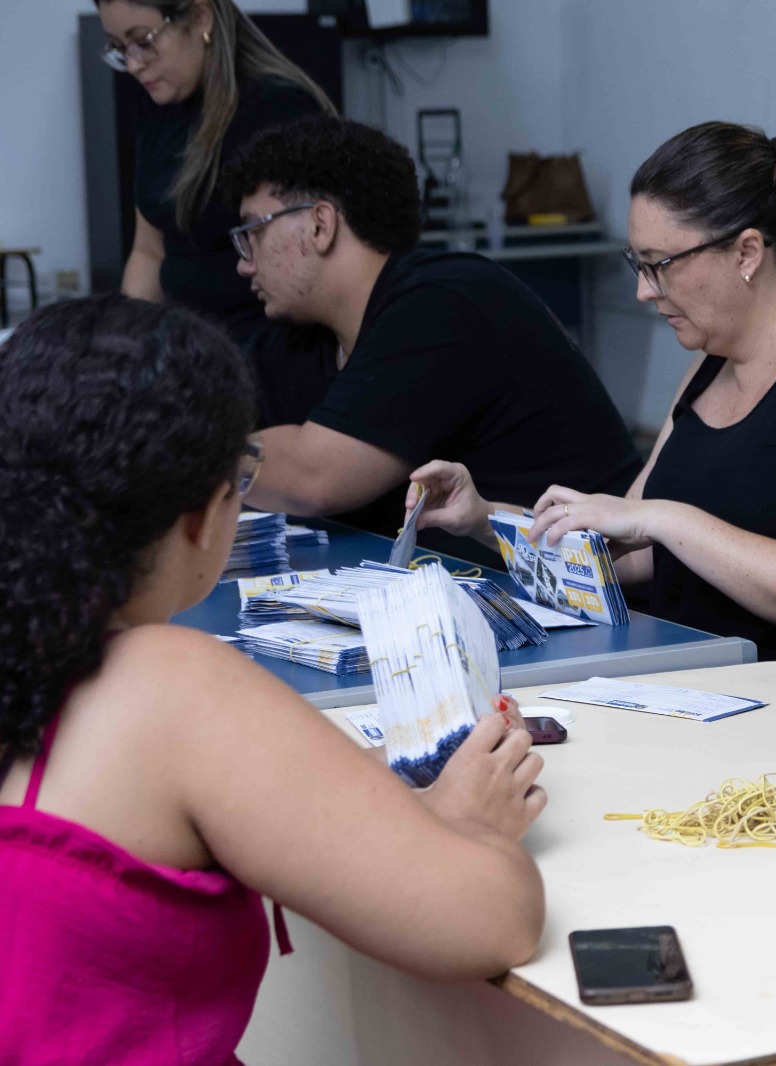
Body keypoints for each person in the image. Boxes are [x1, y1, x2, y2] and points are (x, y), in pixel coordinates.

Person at [0, 296, 546, 1062]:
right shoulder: (170, 685)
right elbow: (492, 921)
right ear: (203, 514)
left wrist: (384, 788)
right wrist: (469, 821)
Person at [409, 115, 776, 672]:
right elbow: (632, 554)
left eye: (659, 265)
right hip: (691, 680)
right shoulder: (712, 359)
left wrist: (667, 519)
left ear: (746, 252)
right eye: (637, 264)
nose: (643, 291)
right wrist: (484, 520)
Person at [222, 115, 642, 565]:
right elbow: (211, 410)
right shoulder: (302, 336)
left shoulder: (443, 303)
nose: (244, 264)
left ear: (320, 225)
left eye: (253, 233)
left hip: (594, 591)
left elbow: (314, 476)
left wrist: (192, 452)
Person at [96, 0, 334, 342]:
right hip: (186, 340)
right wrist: (126, 345)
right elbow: (149, 252)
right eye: (119, 47)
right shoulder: (157, 106)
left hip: (261, 343)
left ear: (201, 17)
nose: (133, 65)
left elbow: (303, 275)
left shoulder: (276, 109)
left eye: (144, 41)